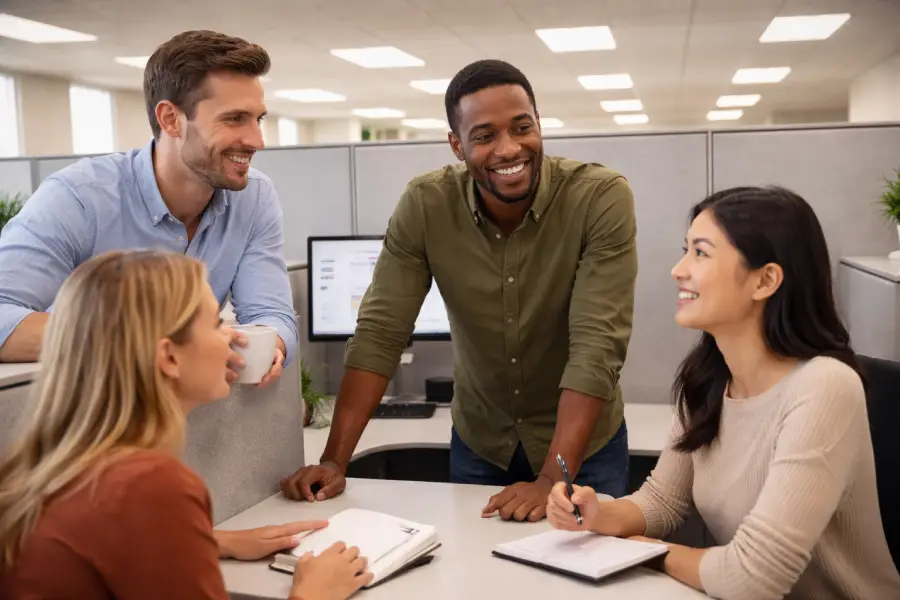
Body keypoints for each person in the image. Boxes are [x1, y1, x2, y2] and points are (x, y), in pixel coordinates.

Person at [281, 59, 638, 521]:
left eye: (522, 127)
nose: (509, 148)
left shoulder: (598, 197)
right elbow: (380, 332)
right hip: (481, 442)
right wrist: (334, 460)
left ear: (538, 125)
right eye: (485, 135)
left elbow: (597, 345)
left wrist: (552, 478)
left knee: (585, 582)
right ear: (457, 145)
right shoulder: (427, 204)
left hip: (583, 449)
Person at [546, 186, 900, 599]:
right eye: (686, 250)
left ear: (765, 279)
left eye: (700, 252)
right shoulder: (707, 379)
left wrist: (646, 553)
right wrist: (596, 514)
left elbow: (753, 577)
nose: (678, 269)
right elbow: (663, 501)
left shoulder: (824, 386)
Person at [0, 250, 371, 600]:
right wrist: (313, 592)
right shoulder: (151, 486)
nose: (232, 334)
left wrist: (212, 540)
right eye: (215, 323)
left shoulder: (46, 466)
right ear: (170, 357)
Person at [0, 30, 297, 387]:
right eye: (235, 119)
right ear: (171, 119)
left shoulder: (253, 197)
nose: (256, 141)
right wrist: (144, 340)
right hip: (91, 418)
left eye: (258, 119)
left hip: (189, 421)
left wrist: (269, 345)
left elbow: (271, 314)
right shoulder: (79, 198)